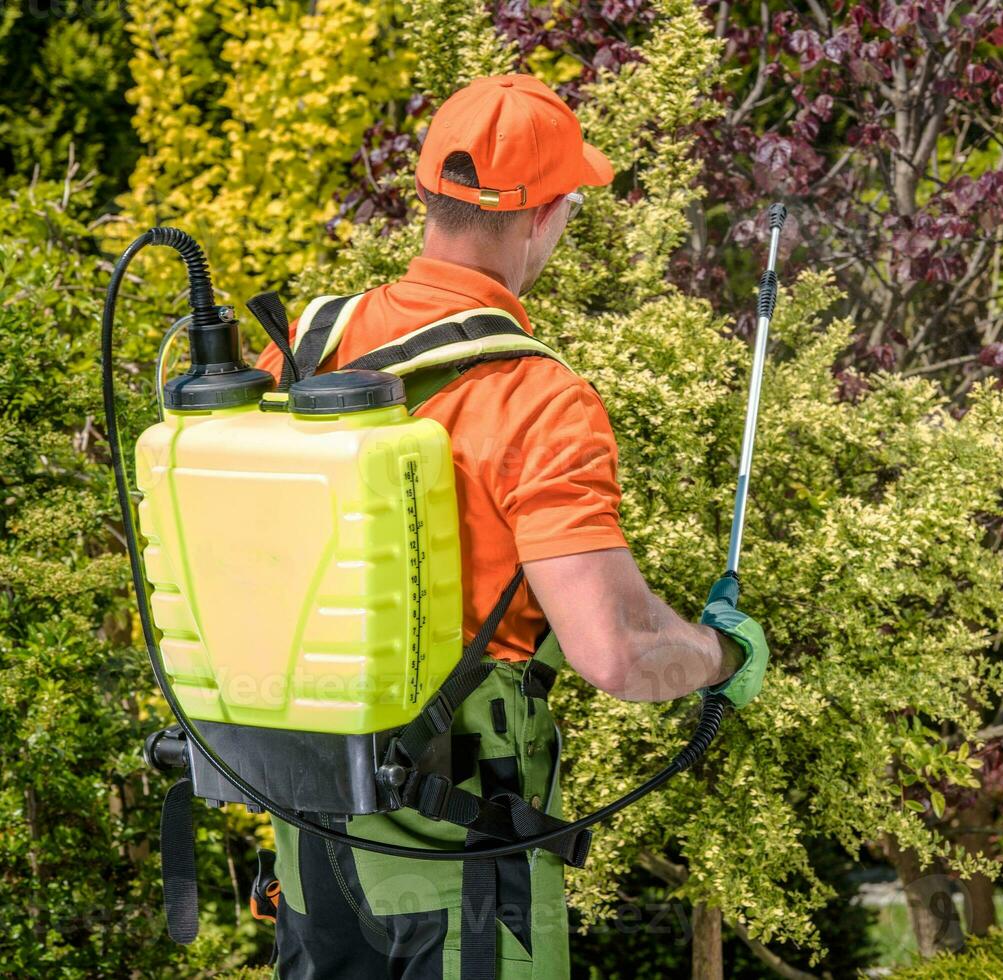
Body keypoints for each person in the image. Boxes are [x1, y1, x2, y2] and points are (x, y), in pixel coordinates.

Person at [252, 74, 769, 980]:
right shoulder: (538, 402)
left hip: (310, 846)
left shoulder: (304, 345)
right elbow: (617, 654)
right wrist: (724, 657)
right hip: (460, 867)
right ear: (550, 212)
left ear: (425, 192)